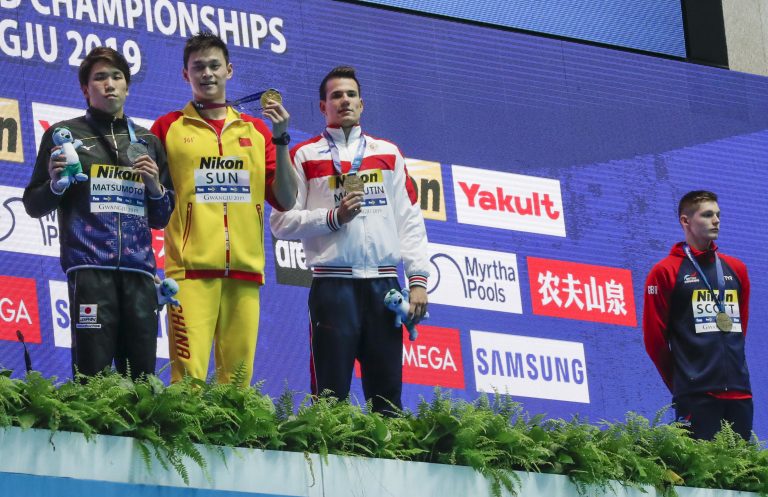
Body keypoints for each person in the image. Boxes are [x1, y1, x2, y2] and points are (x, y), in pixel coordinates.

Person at [270, 65, 429, 413]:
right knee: (329, 400)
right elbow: (281, 223)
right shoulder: (305, 156)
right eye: (336, 96)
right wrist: (333, 218)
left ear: (362, 104)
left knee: (387, 402)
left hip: (384, 288)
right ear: (322, 106)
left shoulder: (389, 153)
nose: (344, 101)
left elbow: (411, 220)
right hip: (333, 289)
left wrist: (418, 281)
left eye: (351, 94)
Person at [151, 32, 297, 385]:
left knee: (237, 389)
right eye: (197, 67)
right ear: (186, 75)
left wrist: (280, 138)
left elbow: (287, 199)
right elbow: (153, 199)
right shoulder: (167, 128)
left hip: (245, 273)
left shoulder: (257, 130)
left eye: (214, 65)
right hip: (189, 273)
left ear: (229, 70)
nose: (207, 74)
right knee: (187, 386)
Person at [23, 47, 175, 380]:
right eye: (100, 78)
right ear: (84, 89)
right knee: (93, 377)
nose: (109, 84)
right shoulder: (65, 136)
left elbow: (161, 217)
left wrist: (154, 187)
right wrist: (56, 186)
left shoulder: (149, 141)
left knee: (143, 381)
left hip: (140, 276)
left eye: (117, 76)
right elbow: (34, 204)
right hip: (90, 271)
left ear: (127, 86)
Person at [643, 190, 752, 440]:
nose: (716, 220)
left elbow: (738, 328)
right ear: (685, 221)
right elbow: (654, 340)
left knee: (738, 476)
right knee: (700, 476)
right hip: (696, 394)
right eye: (707, 215)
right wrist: (684, 383)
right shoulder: (665, 272)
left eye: (718, 214)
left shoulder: (736, 269)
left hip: (740, 392)